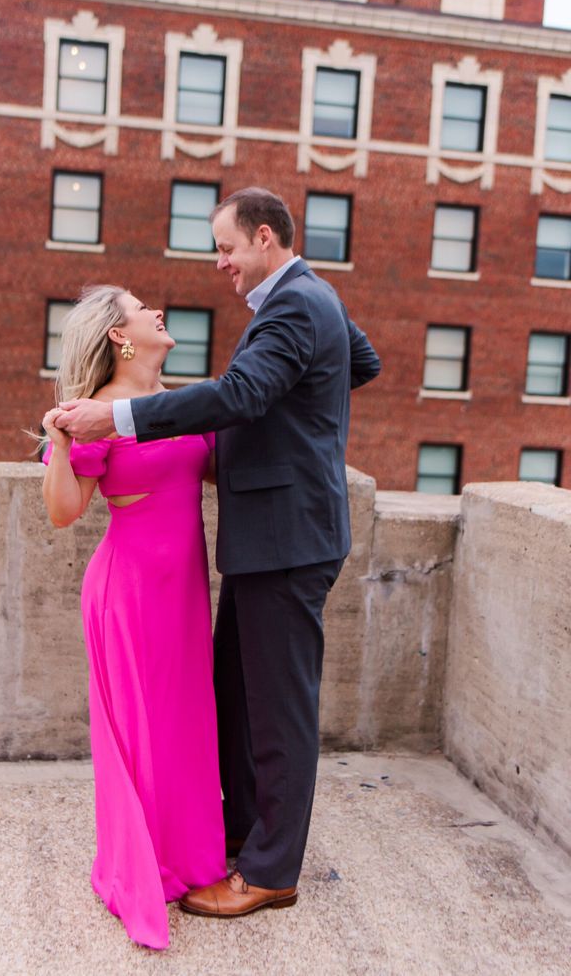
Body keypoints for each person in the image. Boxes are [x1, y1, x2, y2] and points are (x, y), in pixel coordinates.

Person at [54, 188, 381, 919]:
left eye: (228, 248)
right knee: (237, 696)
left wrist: (122, 416)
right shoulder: (310, 296)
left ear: (266, 239)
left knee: (279, 711)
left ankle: (271, 872)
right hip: (270, 538)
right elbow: (359, 361)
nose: (221, 263)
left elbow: (240, 394)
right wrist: (304, 415)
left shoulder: (296, 302)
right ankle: (240, 834)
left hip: (289, 537)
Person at [41, 284, 226, 950]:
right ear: (120, 335)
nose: (157, 310)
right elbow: (65, 512)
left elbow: (216, 473)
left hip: (183, 592)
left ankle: (189, 863)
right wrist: (59, 444)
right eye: (141, 305)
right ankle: (148, 868)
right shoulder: (95, 413)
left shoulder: (183, 404)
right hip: (129, 594)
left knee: (184, 727)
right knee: (144, 734)